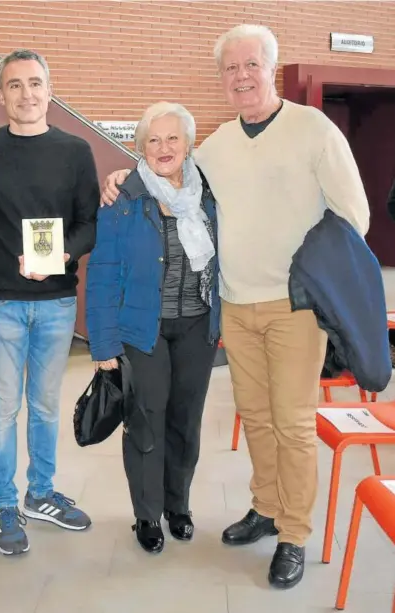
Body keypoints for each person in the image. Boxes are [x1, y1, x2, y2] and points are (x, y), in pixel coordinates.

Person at [99, 24, 369, 588]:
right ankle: (266, 508)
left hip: (294, 308)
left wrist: (313, 277)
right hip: (235, 308)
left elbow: (354, 218)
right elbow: (167, 178)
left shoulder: (312, 128)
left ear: (272, 67)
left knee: (294, 424)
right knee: (260, 420)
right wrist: (124, 176)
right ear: (221, 78)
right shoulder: (216, 147)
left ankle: (294, 533)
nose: (241, 76)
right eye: (230, 68)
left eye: (252, 65)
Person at [0, 49, 99, 556]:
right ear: (1, 95)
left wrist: (63, 254)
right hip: (0, 303)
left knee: (43, 407)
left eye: (35, 83)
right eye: (15, 85)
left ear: (49, 89)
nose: (26, 93)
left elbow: (90, 223)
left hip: (57, 301)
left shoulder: (75, 150)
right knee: (3, 408)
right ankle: (4, 504)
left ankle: (40, 493)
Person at [86, 102, 220, 555]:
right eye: (153, 140)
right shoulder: (123, 198)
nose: (164, 148)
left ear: (188, 143)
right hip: (142, 330)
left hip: (197, 327)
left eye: (173, 138)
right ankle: (147, 515)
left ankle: (177, 506)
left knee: (186, 422)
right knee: (145, 420)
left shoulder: (210, 193)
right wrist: (102, 342)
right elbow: (103, 270)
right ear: (139, 146)